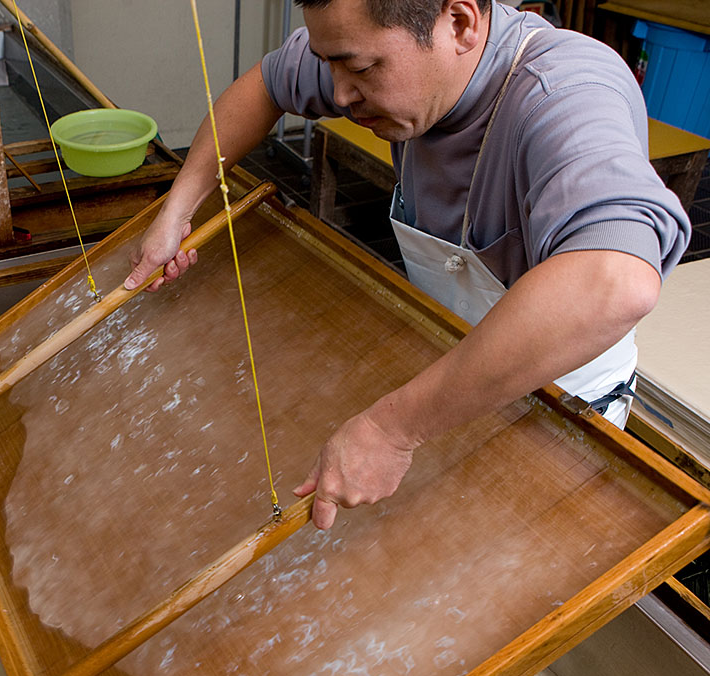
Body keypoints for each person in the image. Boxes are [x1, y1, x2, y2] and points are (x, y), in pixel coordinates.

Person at [122, 0, 691, 529]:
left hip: (555, 400)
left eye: (361, 70)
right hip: (437, 377)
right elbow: (266, 85)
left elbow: (614, 282)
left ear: (461, 24)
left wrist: (392, 430)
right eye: (329, 66)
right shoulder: (375, 48)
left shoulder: (565, 92)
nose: (340, 95)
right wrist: (176, 212)